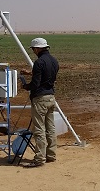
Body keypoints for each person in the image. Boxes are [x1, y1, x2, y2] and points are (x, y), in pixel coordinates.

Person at [20, 37, 59, 168]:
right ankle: (51, 155)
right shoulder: (54, 61)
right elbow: (46, 76)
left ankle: (39, 159)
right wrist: (31, 73)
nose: (33, 52)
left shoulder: (39, 62)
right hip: (51, 97)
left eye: (33, 50)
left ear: (37, 49)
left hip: (40, 99)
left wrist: (26, 86)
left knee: (39, 129)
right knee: (51, 128)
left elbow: (36, 83)